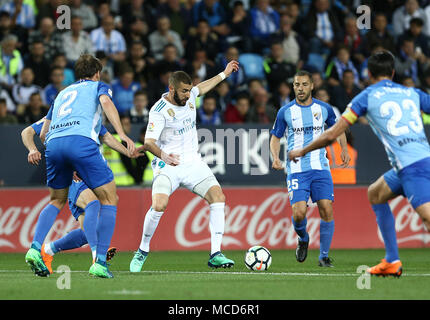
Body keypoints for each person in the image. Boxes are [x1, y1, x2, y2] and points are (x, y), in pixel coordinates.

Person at [288, 51, 430, 277]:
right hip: (414, 163)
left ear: (369, 74)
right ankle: (392, 260)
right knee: (375, 193)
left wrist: (302, 150)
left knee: (428, 218)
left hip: (412, 167)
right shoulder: (412, 92)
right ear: (393, 73)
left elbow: (332, 133)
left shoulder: (366, 97)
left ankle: (392, 260)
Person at [24, 54, 136, 279]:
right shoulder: (98, 88)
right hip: (80, 144)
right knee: (109, 200)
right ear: (97, 74)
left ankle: (36, 248)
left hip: (54, 144)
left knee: (56, 200)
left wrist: (128, 151)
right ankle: (100, 262)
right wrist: (123, 133)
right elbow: (106, 103)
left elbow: (44, 133)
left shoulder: (62, 95)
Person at [129, 61, 239, 272]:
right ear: (171, 89)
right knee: (159, 205)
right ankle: (142, 250)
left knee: (218, 197)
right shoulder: (158, 111)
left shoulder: (190, 98)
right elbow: (150, 142)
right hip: (167, 164)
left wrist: (224, 74)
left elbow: (203, 87)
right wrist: (164, 156)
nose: (189, 95)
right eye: (184, 91)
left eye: (189, 90)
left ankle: (215, 253)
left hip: (192, 163)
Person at [20, 116, 136, 273]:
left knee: (86, 233)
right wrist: (34, 150)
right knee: (92, 203)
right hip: (76, 173)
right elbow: (28, 132)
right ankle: (97, 257)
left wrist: (128, 152)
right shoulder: (59, 114)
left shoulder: (89, 114)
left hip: (91, 172)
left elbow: (107, 137)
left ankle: (47, 250)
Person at [270, 70, 350, 267]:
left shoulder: (325, 109)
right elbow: (275, 136)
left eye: (304, 84)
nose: (300, 88)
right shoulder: (285, 112)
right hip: (296, 170)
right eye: (297, 85)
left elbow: (337, 129)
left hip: (321, 167)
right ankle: (303, 238)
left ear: (312, 86)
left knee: (326, 208)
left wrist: (344, 149)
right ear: (293, 87)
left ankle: (323, 256)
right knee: (298, 214)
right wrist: (275, 157)